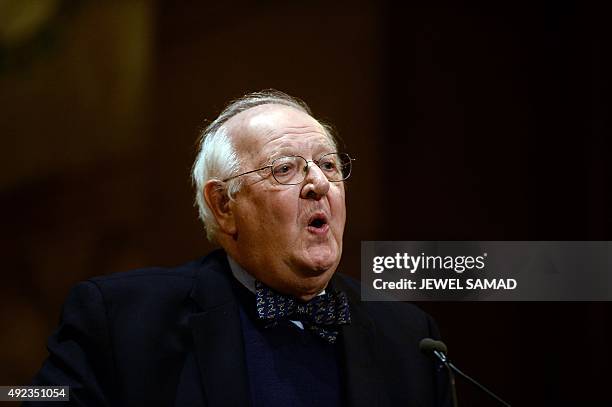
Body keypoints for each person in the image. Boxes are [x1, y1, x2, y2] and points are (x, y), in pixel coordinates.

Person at [28, 90, 450, 406]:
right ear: (224, 205)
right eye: (285, 168)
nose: (319, 184)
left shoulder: (410, 337)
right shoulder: (121, 317)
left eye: (328, 164)